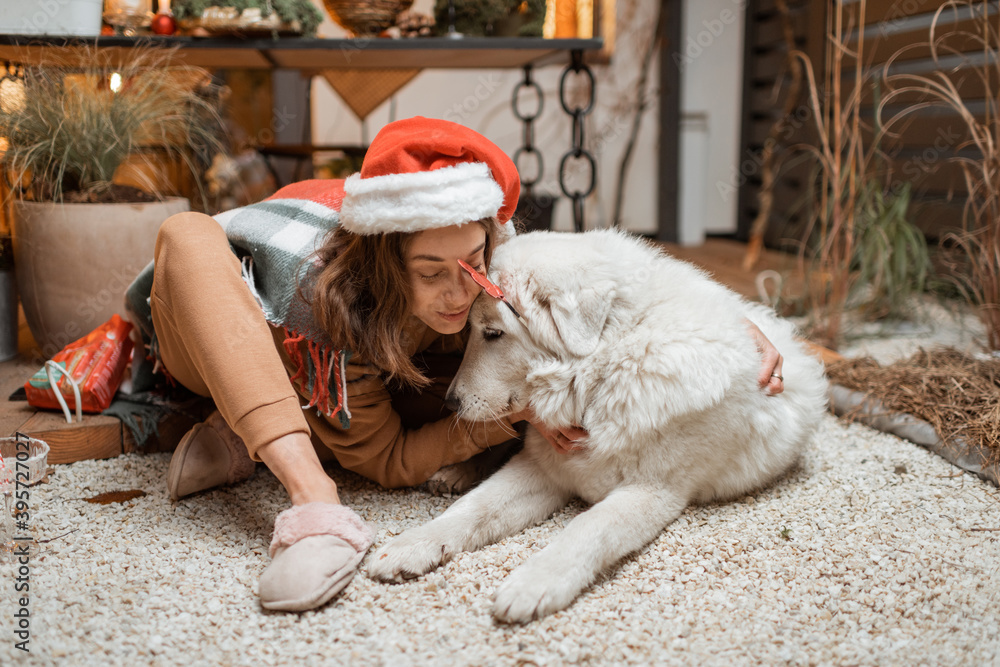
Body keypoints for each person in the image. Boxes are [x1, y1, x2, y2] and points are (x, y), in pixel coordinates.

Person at [131, 117, 784, 613]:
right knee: (187, 234)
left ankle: (254, 425)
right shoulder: (331, 301)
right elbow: (386, 459)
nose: (456, 292)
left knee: (472, 373)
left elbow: (599, 275)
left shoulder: (485, 263)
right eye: (429, 272)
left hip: (369, 363)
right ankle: (312, 495)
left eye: (469, 263)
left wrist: (727, 318)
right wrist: (516, 414)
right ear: (391, 263)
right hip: (224, 328)